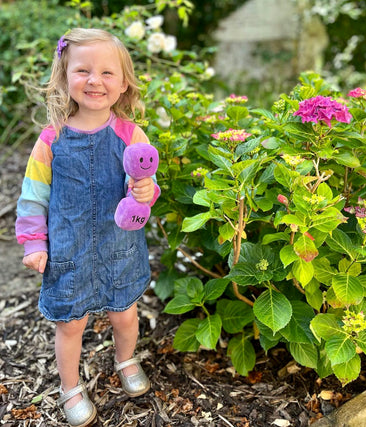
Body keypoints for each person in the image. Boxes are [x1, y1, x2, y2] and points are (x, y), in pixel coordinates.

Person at [15, 28, 160, 427]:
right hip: (69, 249)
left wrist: (146, 190)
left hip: (119, 246)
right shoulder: (52, 139)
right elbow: (33, 196)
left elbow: (143, 189)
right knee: (71, 323)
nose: (95, 80)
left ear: (124, 82)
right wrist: (33, 243)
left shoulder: (131, 134)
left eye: (107, 73)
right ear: (64, 77)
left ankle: (125, 359)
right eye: (83, 70)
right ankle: (69, 387)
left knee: (124, 314)